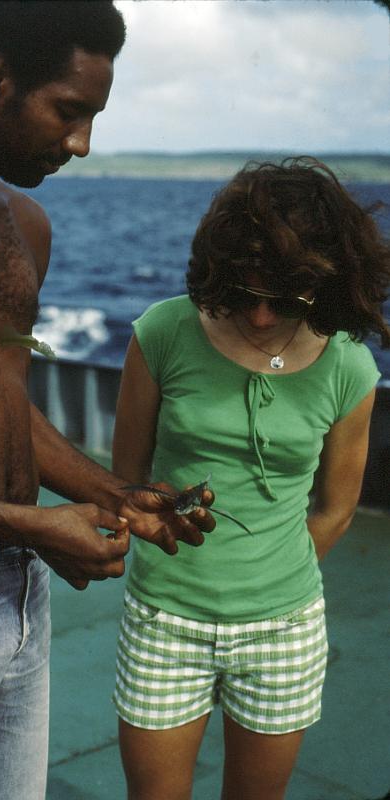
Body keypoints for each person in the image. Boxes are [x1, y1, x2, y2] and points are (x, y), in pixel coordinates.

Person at [0, 3, 214, 799]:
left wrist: (112, 492)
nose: (81, 143)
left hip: (22, 587)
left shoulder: (26, 224)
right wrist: (30, 522)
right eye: (69, 111)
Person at [112, 157, 390, 800]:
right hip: (164, 621)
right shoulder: (162, 332)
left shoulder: (350, 368)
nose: (261, 317)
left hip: (285, 630)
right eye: (242, 293)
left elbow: (335, 510)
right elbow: (125, 480)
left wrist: (267, 579)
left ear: (326, 280)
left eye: (285, 298)